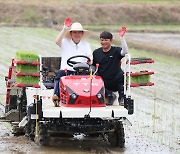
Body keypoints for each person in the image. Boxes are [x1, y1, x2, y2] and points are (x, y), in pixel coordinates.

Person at [52, 18, 92, 106]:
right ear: (71, 34)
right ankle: (56, 96)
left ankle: (88, 97)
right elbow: (57, 41)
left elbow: (90, 56)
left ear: (82, 34)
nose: (77, 34)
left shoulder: (86, 45)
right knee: (60, 75)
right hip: (67, 70)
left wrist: (90, 60)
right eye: (74, 32)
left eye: (79, 32)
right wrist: (65, 28)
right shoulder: (65, 42)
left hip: (81, 70)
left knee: (90, 76)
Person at [92, 27, 128, 106]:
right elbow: (93, 66)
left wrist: (122, 37)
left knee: (122, 75)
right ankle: (109, 95)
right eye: (102, 40)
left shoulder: (116, 51)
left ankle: (121, 98)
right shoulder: (96, 53)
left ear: (111, 41)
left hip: (115, 79)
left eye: (106, 40)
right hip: (103, 81)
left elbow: (125, 52)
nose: (103, 42)